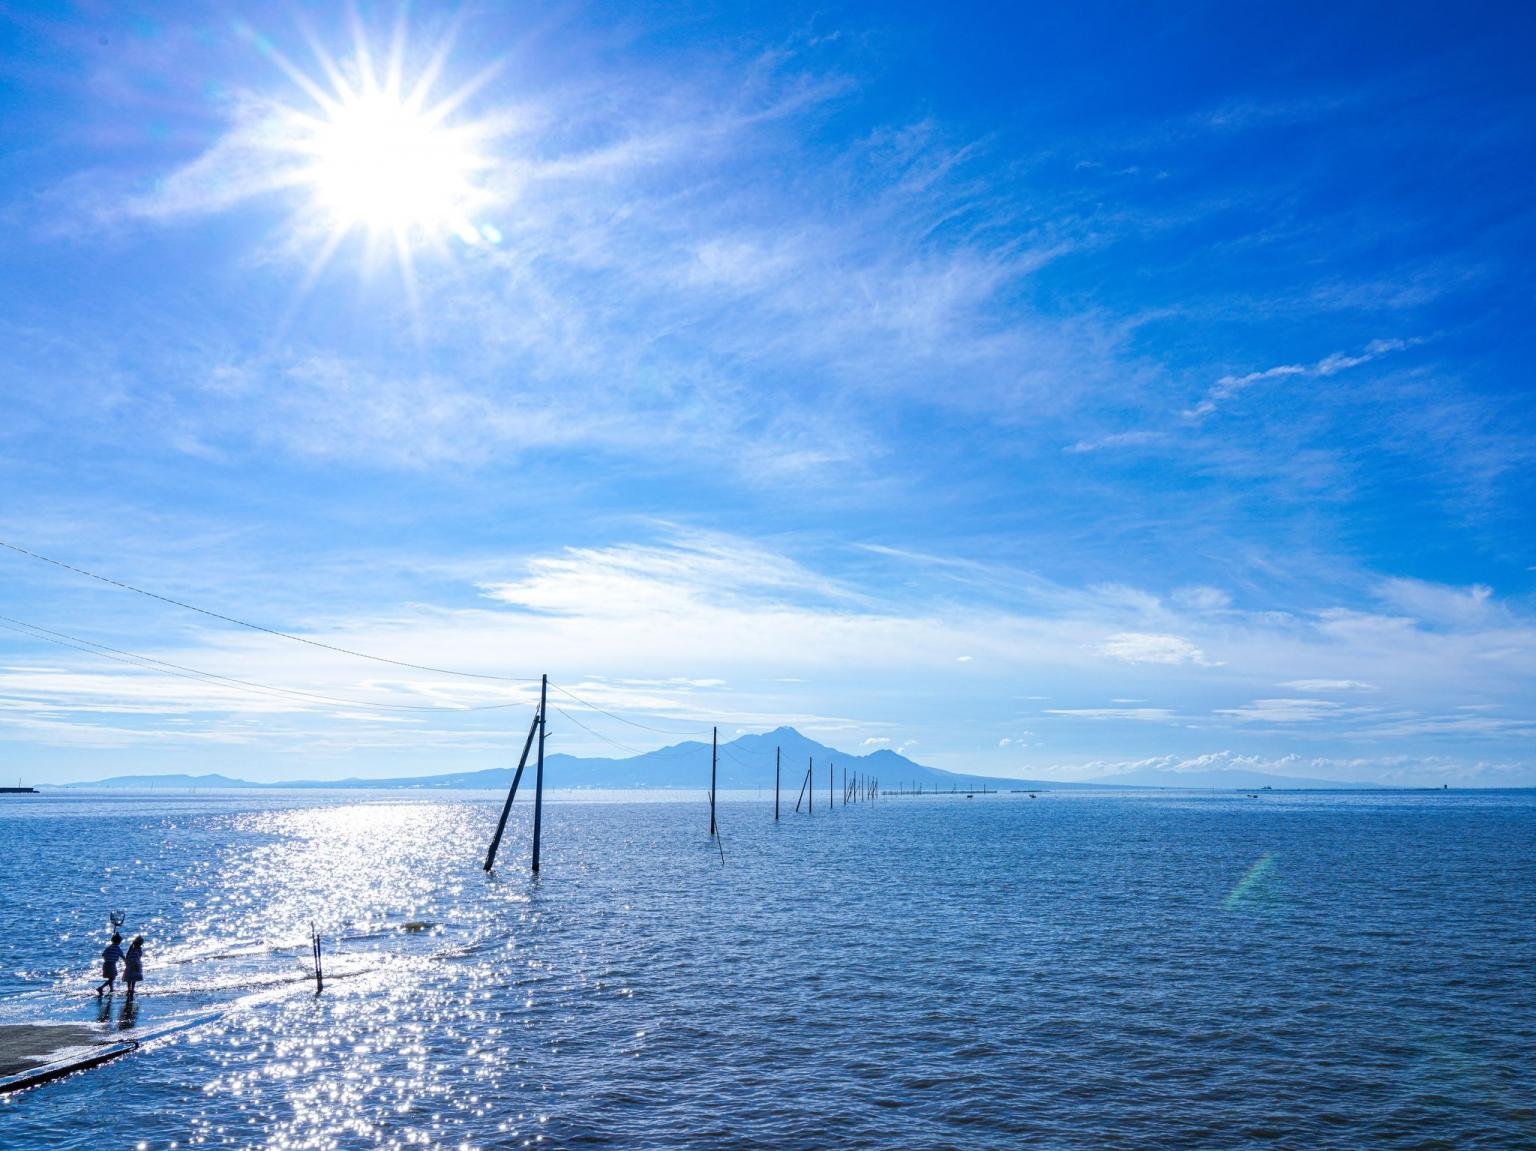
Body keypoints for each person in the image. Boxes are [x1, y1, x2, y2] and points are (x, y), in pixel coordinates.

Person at [96, 932, 124, 997]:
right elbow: (122, 956)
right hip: (112, 964)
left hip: (105, 964)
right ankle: (101, 988)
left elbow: (103, 955)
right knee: (112, 978)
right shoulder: (117, 948)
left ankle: (111, 989)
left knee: (110, 978)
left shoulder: (108, 947)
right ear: (119, 942)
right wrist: (126, 962)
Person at [123, 936, 145, 1000]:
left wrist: (126, 961)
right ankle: (132, 989)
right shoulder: (139, 948)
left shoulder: (131, 947)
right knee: (134, 977)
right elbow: (140, 956)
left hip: (130, 962)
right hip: (136, 963)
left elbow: (127, 954)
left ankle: (128, 989)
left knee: (129, 975)